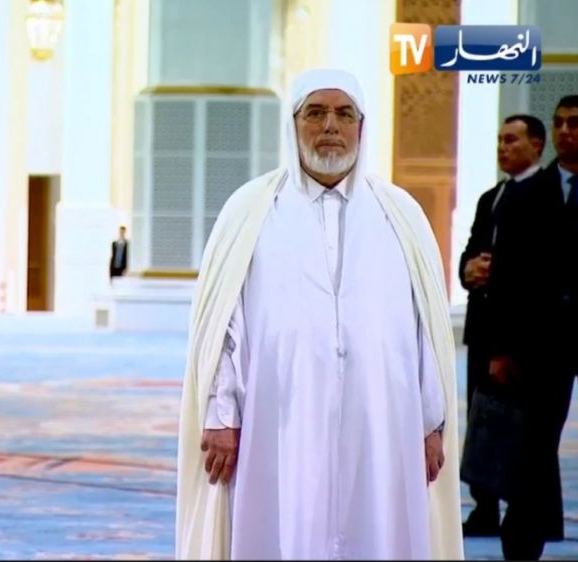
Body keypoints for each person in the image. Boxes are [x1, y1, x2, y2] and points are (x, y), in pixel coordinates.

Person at [174, 68, 463, 560]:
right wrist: (222, 416)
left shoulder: (401, 214)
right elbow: (226, 327)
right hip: (278, 421)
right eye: (316, 113)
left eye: (344, 114)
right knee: (282, 528)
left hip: (383, 423)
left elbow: (425, 333)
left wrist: (431, 425)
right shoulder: (250, 210)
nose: (330, 126)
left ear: (361, 128)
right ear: (293, 124)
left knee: (380, 530)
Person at [487, 94, 578, 560]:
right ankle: (522, 542)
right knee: (535, 443)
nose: (565, 131)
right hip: (540, 344)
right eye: (559, 123)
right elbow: (505, 276)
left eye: (574, 123)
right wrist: (500, 348)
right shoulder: (528, 194)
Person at [458, 114, 545, 537]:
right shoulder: (491, 197)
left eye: (512, 140)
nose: (502, 148)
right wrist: (469, 270)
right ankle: (485, 506)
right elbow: (472, 251)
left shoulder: (545, 195)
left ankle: (521, 510)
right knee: (482, 421)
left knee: (519, 427)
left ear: (536, 145)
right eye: (499, 140)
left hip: (520, 336)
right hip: (483, 329)